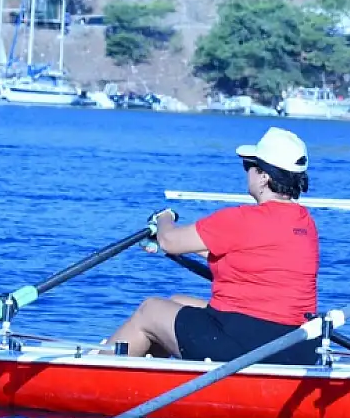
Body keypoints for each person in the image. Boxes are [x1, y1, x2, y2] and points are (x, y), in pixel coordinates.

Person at [105, 127, 320, 363]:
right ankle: (152, 379)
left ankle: (95, 369)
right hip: (296, 344)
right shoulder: (304, 222)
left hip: (247, 344)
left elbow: (169, 241)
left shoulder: (241, 218)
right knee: (178, 301)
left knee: (150, 310)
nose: (246, 172)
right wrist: (182, 245)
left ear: (263, 176)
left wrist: (164, 218)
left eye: (248, 165)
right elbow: (243, 254)